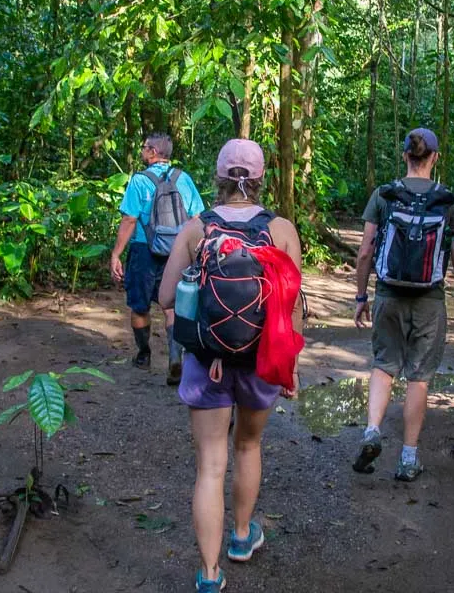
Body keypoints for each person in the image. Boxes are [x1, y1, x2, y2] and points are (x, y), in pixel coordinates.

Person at [159, 139, 303, 593]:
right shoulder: (281, 230)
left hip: (207, 362)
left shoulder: (195, 229)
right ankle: (241, 537)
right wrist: (290, 367)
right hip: (262, 362)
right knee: (248, 447)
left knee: (209, 467)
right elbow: (292, 306)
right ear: (261, 179)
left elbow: (165, 298)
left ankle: (208, 575)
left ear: (218, 178)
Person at [352, 127, 454, 481]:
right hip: (429, 300)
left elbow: (365, 252)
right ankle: (408, 459)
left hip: (389, 294)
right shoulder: (448, 201)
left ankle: (372, 430)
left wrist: (361, 296)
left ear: (405, 155)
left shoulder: (385, 194)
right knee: (418, 376)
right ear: (434, 157)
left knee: (383, 365)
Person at [110, 132, 204, 383]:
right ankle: (175, 358)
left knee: (139, 305)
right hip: (177, 251)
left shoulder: (139, 181)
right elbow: (197, 218)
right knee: (172, 306)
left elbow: (130, 219)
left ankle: (143, 355)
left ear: (153, 152)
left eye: (144, 148)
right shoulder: (184, 179)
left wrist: (116, 254)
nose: (142, 151)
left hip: (144, 249)